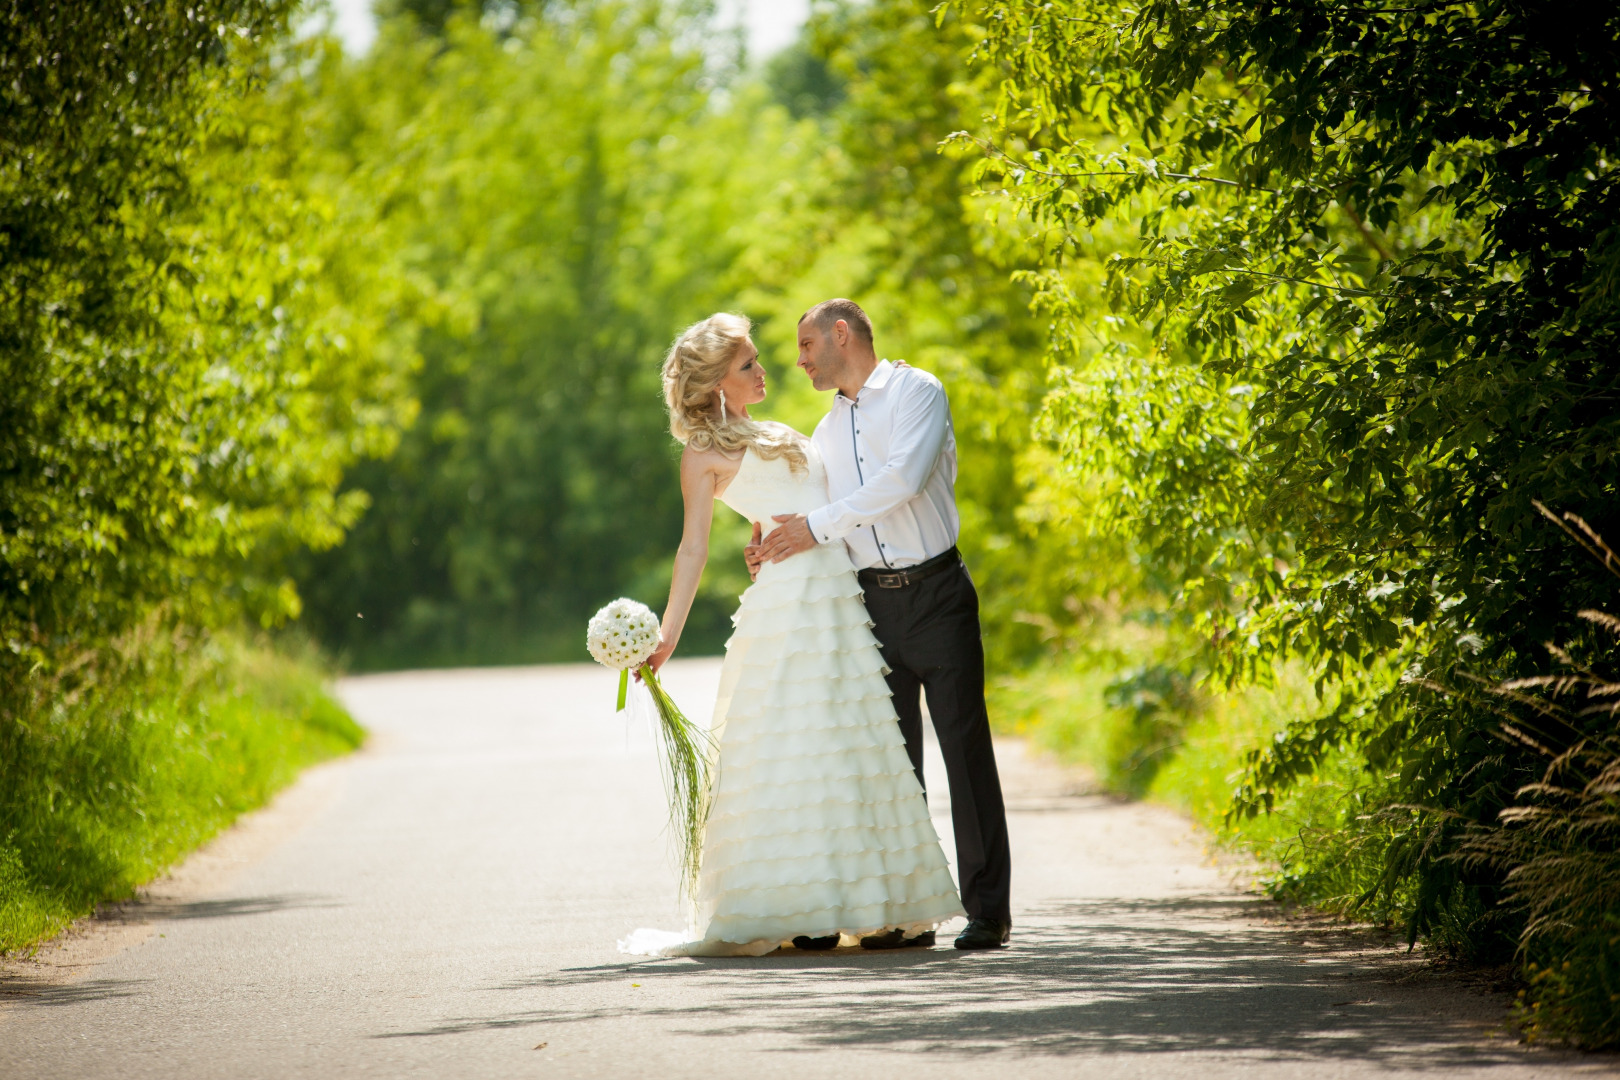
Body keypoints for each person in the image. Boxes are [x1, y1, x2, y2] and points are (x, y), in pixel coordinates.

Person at [619, 312, 964, 958]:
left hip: (841, 600)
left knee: (851, 746)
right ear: (716, 383)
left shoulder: (784, 431)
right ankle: (805, 909)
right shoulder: (702, 456)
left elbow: (828, 504)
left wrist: (765, 534)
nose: (764, 369)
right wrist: (665, 636)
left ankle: (874, 905)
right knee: (793, 746)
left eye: (757, 359)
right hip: (784, 610)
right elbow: (691, 548)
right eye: (747, 364)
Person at [748, 298, 1012, 950]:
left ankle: (988, 911)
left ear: (843, 334)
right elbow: (818, 515)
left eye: (808, 346)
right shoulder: (826, 431)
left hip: (938, 593)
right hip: (870, 603)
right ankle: (906, 914)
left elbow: (904, 481)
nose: (801, 360)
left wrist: (810, 527)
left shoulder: (917, 391)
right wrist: (770, 545)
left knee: (964, 752)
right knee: (890, 764)